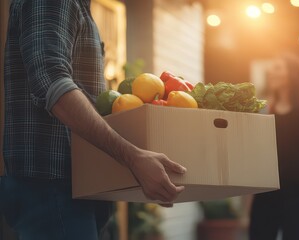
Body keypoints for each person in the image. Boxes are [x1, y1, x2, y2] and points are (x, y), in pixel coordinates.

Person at [1, 1, 186, 239]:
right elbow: (51, 81)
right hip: (53, 187)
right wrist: (133, 157)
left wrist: (138, 166)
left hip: (73, 187)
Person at [241, 54, 299, 240]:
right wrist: (246, 209)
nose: (271, 73)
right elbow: (256, 161)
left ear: (292, 74)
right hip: (266, 196)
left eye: (277, 68)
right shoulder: (265, 111)